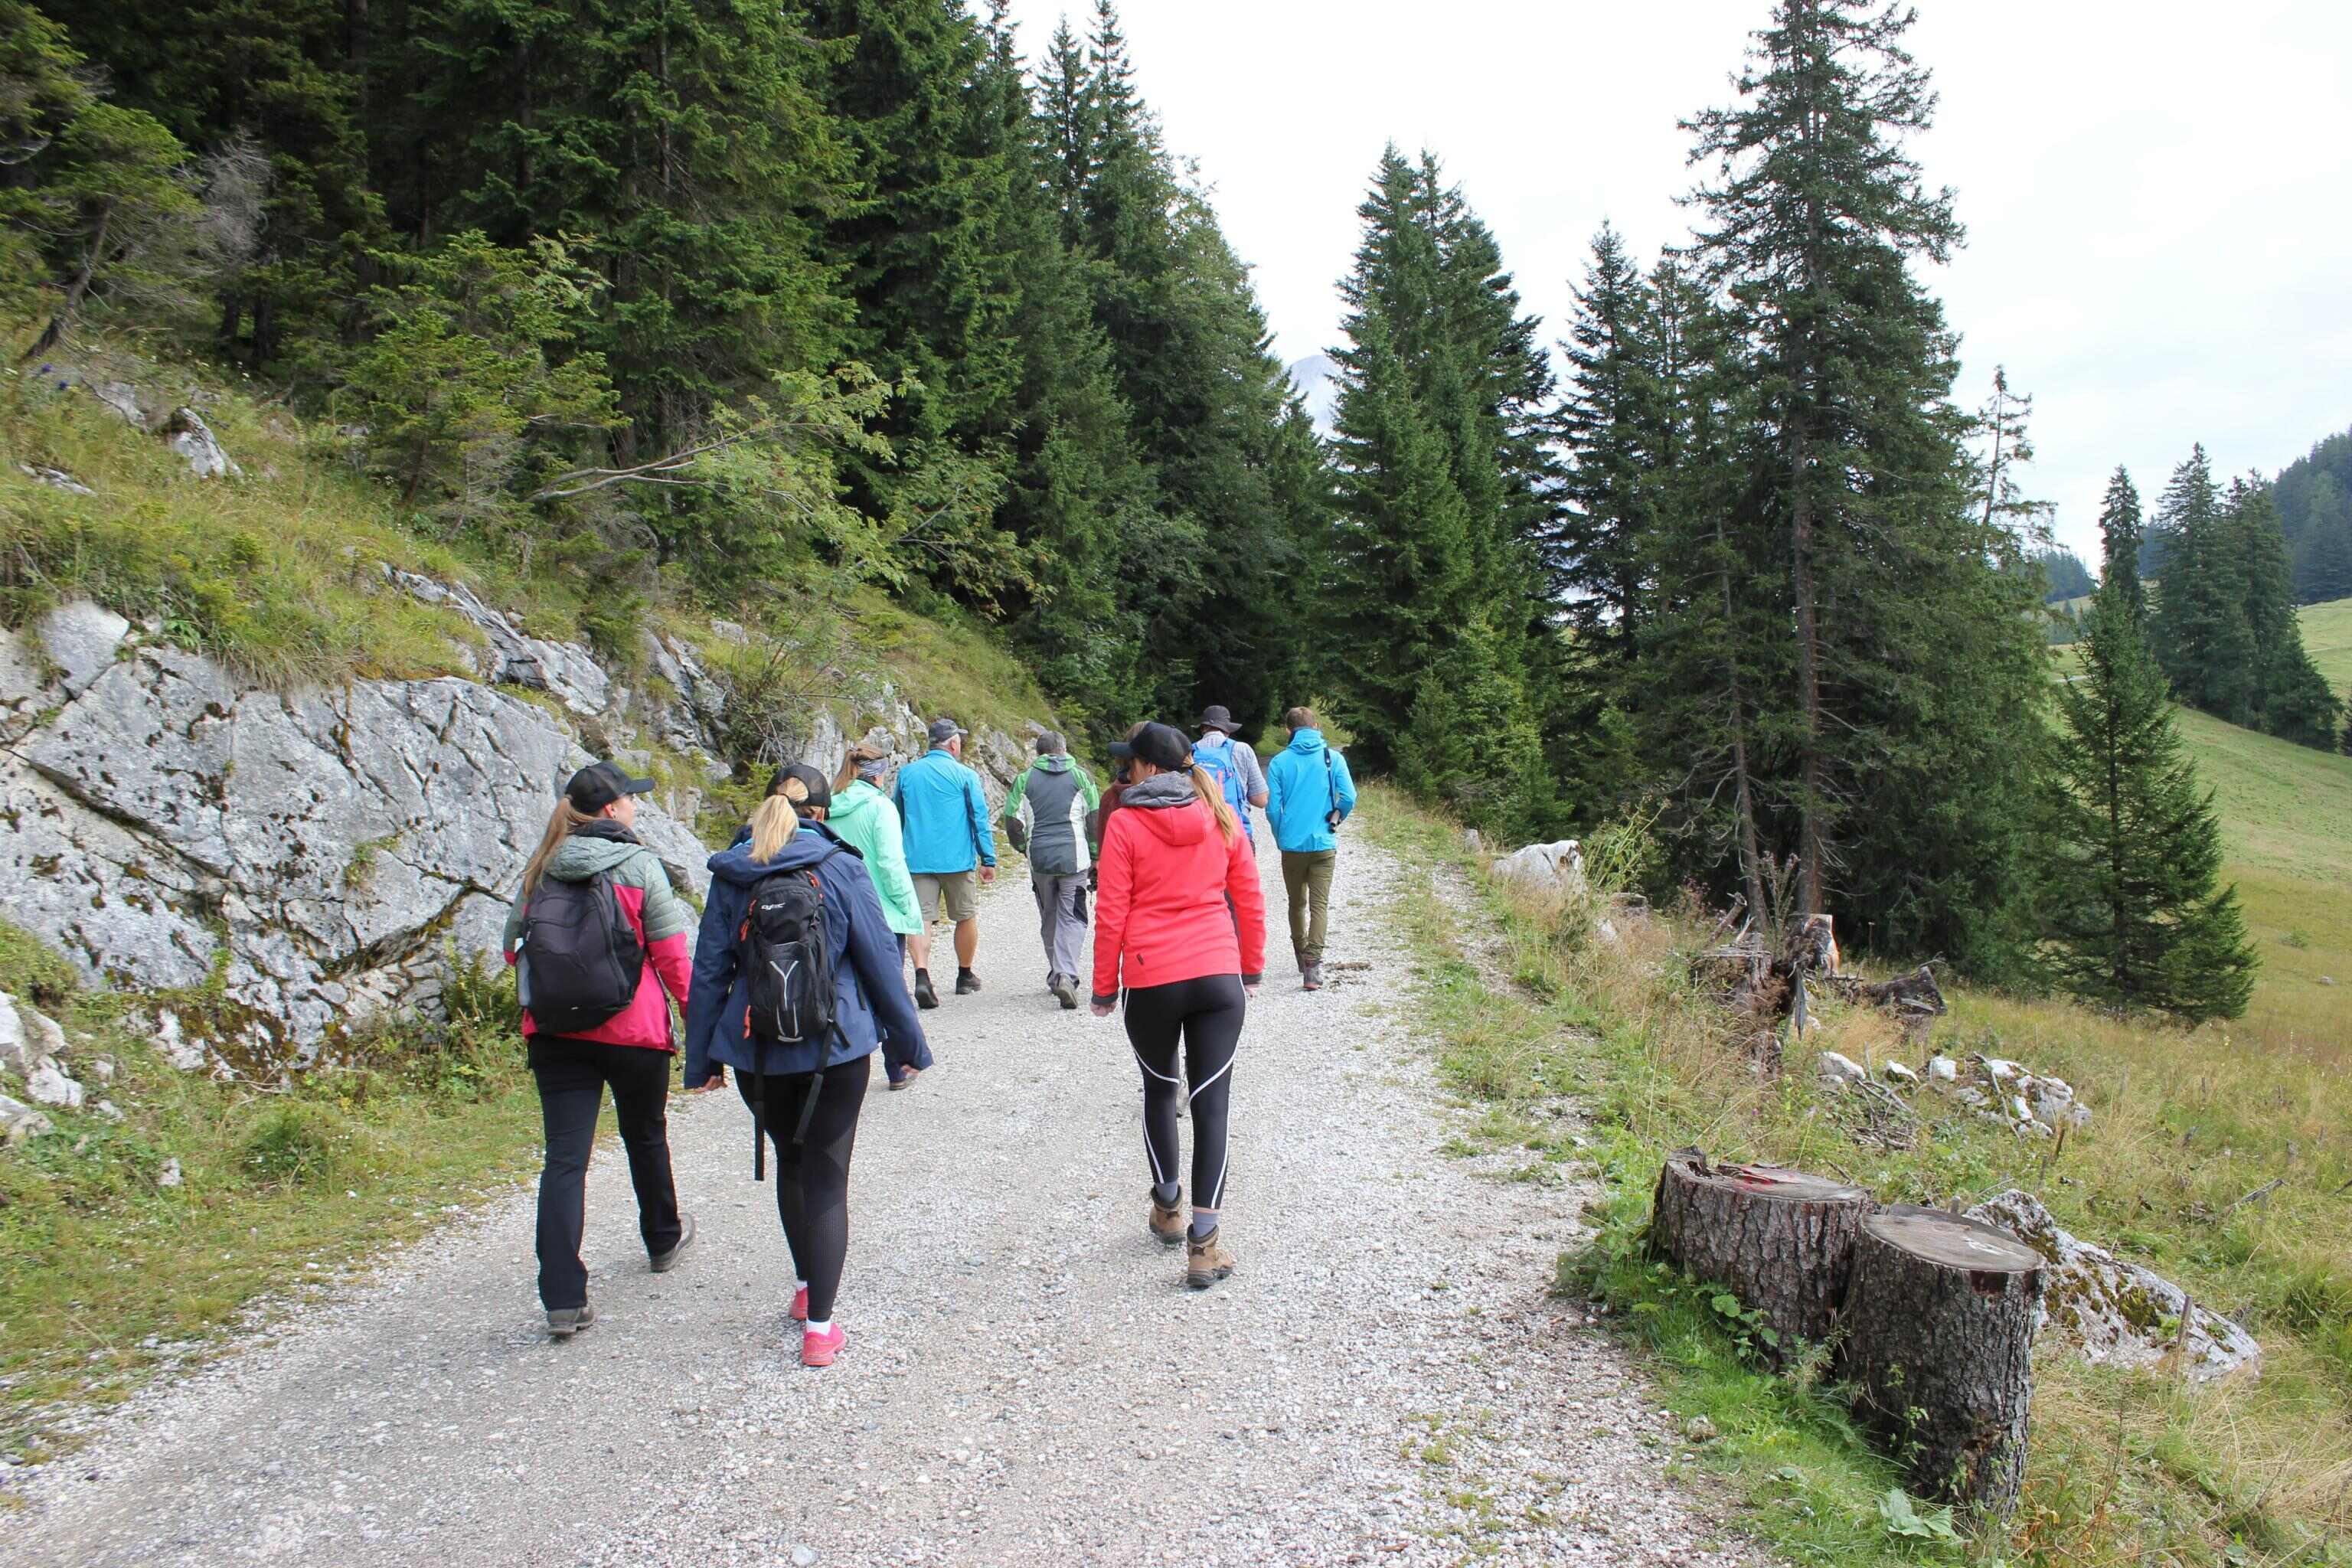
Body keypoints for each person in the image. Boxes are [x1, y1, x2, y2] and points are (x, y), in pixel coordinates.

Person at [684, 765, 931, 1368]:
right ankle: (820, 1329)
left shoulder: (733, 874)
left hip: (755, 1050)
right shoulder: (841, 866)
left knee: (791, 1162)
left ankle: (802, 1288)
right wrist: (907, 1047)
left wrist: (702, 1062)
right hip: (836, 1045)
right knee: (827, 1174)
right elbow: (878, 962)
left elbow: (711, 969)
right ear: (823, 812)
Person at [502, 761, 700, 1341]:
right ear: (611, 810)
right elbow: (669, 955)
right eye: (630, 800)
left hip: (556, 1034)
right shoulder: (638, 865)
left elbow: (514, 950)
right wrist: (697, 1018)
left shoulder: (540, 869)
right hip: (633, 1032)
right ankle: (662, 1239)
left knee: (565, 1159)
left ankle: (563, 1298)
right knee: (645, 1133)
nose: (637, 807)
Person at [1089, 722, 1266, 1290]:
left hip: (1152, 978)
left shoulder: (1125, 824)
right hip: (1218, 976)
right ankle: (1204, 1246)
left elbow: (1112, 910)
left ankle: (1167, 1208)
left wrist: (1103, 987)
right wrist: (1252, 965)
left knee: (1160, 1093)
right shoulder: (1221, 815)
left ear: (1144, 768)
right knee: (1211, 1108)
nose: (1124, 771)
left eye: (1129, 763)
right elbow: (1249, 895)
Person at [892, 717, 997, 1008]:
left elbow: (896, 815)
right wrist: (988, 858)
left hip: (916, 860)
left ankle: (922, 975)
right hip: (957, 861)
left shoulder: (908, 774)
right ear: (953, 743)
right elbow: (979, 819)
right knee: (965, 916)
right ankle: (964, 976)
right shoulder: (965, 775)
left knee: (921, 919)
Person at [1002, 732, 1101, 1010]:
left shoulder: (1024, 779)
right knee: (1073, 916)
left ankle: (1057, 972)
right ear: (1064, 749)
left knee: (1050, 914)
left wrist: (1025, 848)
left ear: (1038, 753)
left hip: (1041, 860)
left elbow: (1012, 822)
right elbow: (1094, 819)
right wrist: (1096, 855)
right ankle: (1066, 974)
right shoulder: (1083, 777)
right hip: (1075, 859)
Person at [1264, 706, 1357, 991]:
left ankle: (1299, 954)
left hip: (1292, 845)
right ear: (1316, 726)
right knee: (1320, 905)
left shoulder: (1279, 762)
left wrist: (1281, 837)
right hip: (1323, 843)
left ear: (1288, 731)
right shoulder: (1334, 758)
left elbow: (1271, 810)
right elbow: (1349, 796)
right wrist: (1337, 815)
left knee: (1296, 902)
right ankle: (1313, 967)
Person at [1192, 705, 1268, 843]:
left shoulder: (1188, 753)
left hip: (1199, 835)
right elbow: (1261, 800)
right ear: (1227, 730)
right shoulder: (1242, 750)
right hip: (1236, 834)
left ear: (1203, 728)